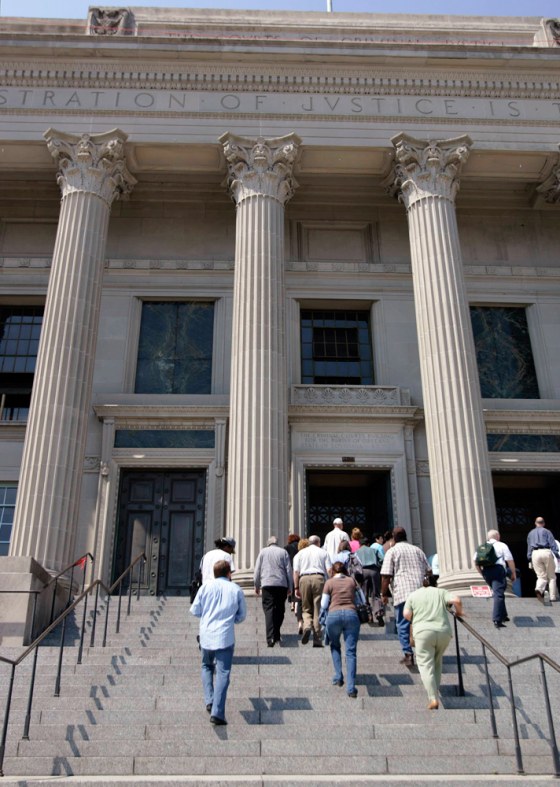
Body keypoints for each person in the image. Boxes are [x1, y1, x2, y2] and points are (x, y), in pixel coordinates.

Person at [190, 559, 247, 726]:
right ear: (229, 573)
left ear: (214, 573)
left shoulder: (205, 587)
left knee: (206, 666)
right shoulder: (236, 589)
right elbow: (242, 615)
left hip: (206, 635)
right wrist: (232, 619)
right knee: (223, 673)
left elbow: (194, 610)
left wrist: (207, 616)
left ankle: (209, 700)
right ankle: (217, 712)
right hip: (225, 636)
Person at [403, 579, 463, 709]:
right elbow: (457, 600)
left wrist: (417, 618)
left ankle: (433, 698)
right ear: (434, 583)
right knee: (437, 662)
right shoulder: (441, 592)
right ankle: (434, 692)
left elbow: (406, 614)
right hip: (443, 632)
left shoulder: (414, 595)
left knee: (425, 664)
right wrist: (459, 612)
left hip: (423, 632)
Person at [380, 527, 430, 666]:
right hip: (420, 593)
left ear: (394, 538)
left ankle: (408, 654)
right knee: (421, 623)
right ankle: (424, 652)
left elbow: (386, 575)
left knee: (403, 624)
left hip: (403, 593)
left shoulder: (392, 551)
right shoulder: (418, 550)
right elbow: (429, 571)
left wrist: (384, 594)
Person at [321, 561, 362, 698]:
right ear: (345, 570)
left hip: (334, 615)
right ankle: (351, 687)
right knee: (351, 652)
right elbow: (361, 598)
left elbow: (323, 604)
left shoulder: (329, 583)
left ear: (333, 571)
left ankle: (338, 676)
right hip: (351, 614)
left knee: (335, 645)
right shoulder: (351, 581)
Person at [254, 535, 293, 647]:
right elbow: (288, 570)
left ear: (268, 543)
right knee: (280, 609)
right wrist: (290, 586)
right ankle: (276, 634)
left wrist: (256, 584)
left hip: (267, 584)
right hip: (281, 584)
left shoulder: (263, 552)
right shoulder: (283, 552)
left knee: (269, 610)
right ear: (277, 542)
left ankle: (270, 637)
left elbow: (257, 569)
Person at [473, 529, 516, 628]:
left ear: (488, 537)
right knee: (498, 594)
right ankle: (497, 619)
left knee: (499, 591)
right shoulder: (502, 545)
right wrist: (513, 572)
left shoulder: (482, 547)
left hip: (487, 572)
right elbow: (509, 560)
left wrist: (482, 573)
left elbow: (475, 561)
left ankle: (504, 615)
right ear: (498, 536)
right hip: (498, 570)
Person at [293, 534, 328, 646]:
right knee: (318, 607)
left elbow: (295, 572)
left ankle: (307, 625)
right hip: (319, 578)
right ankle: (317, 638)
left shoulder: (300, 554)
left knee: (306, 607)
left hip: (304, 579)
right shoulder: (323, 552)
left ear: (309, 542)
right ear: (318, 542)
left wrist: (296, 587)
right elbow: (330, 570)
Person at [527, 516, 559, 602]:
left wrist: (529, 558)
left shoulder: (530, 533)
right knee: (551, 576)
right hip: (546, 552)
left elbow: (529, 547)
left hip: (535, 554)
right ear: (543, 523)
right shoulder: (547, 531)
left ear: (535, 523)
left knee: (541, 576)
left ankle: (539, 588)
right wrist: (557, 556)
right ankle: (552, 597)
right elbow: (553, 544)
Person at [355, 536, 385, 626]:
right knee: (376, 594)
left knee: (364, 595)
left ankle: (369, 615)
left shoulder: (357, 552)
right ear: (368, 544)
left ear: (359, 544)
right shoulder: (373, 550)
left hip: (362, 571)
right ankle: (379, 613)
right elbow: (382, 559)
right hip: (374, 571)